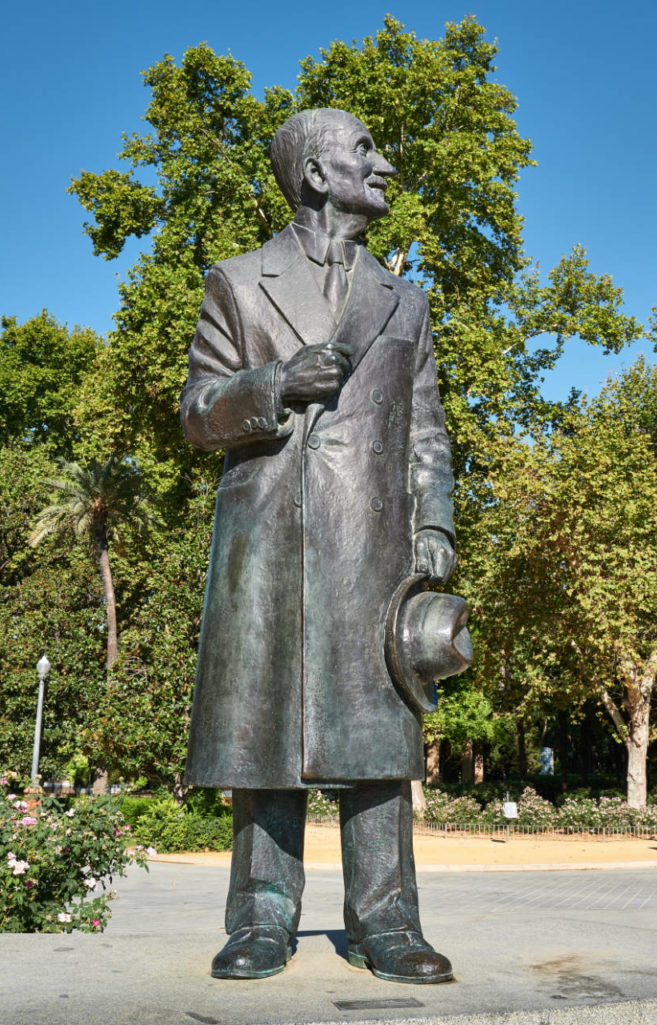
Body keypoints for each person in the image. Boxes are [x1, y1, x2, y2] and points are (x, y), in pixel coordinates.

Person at [180, 107, 461, 985]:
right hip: (266, 538)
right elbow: (195, 412)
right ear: (314, 174)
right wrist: (272, 384)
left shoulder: (403, 299)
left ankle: (388, 918)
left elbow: (427, 434)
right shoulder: (236, 281)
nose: (383, 163)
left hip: (371, 542)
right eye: (364, 150)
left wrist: (435, 526)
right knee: (265, 727)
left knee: (378, 730)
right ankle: (262, 917)